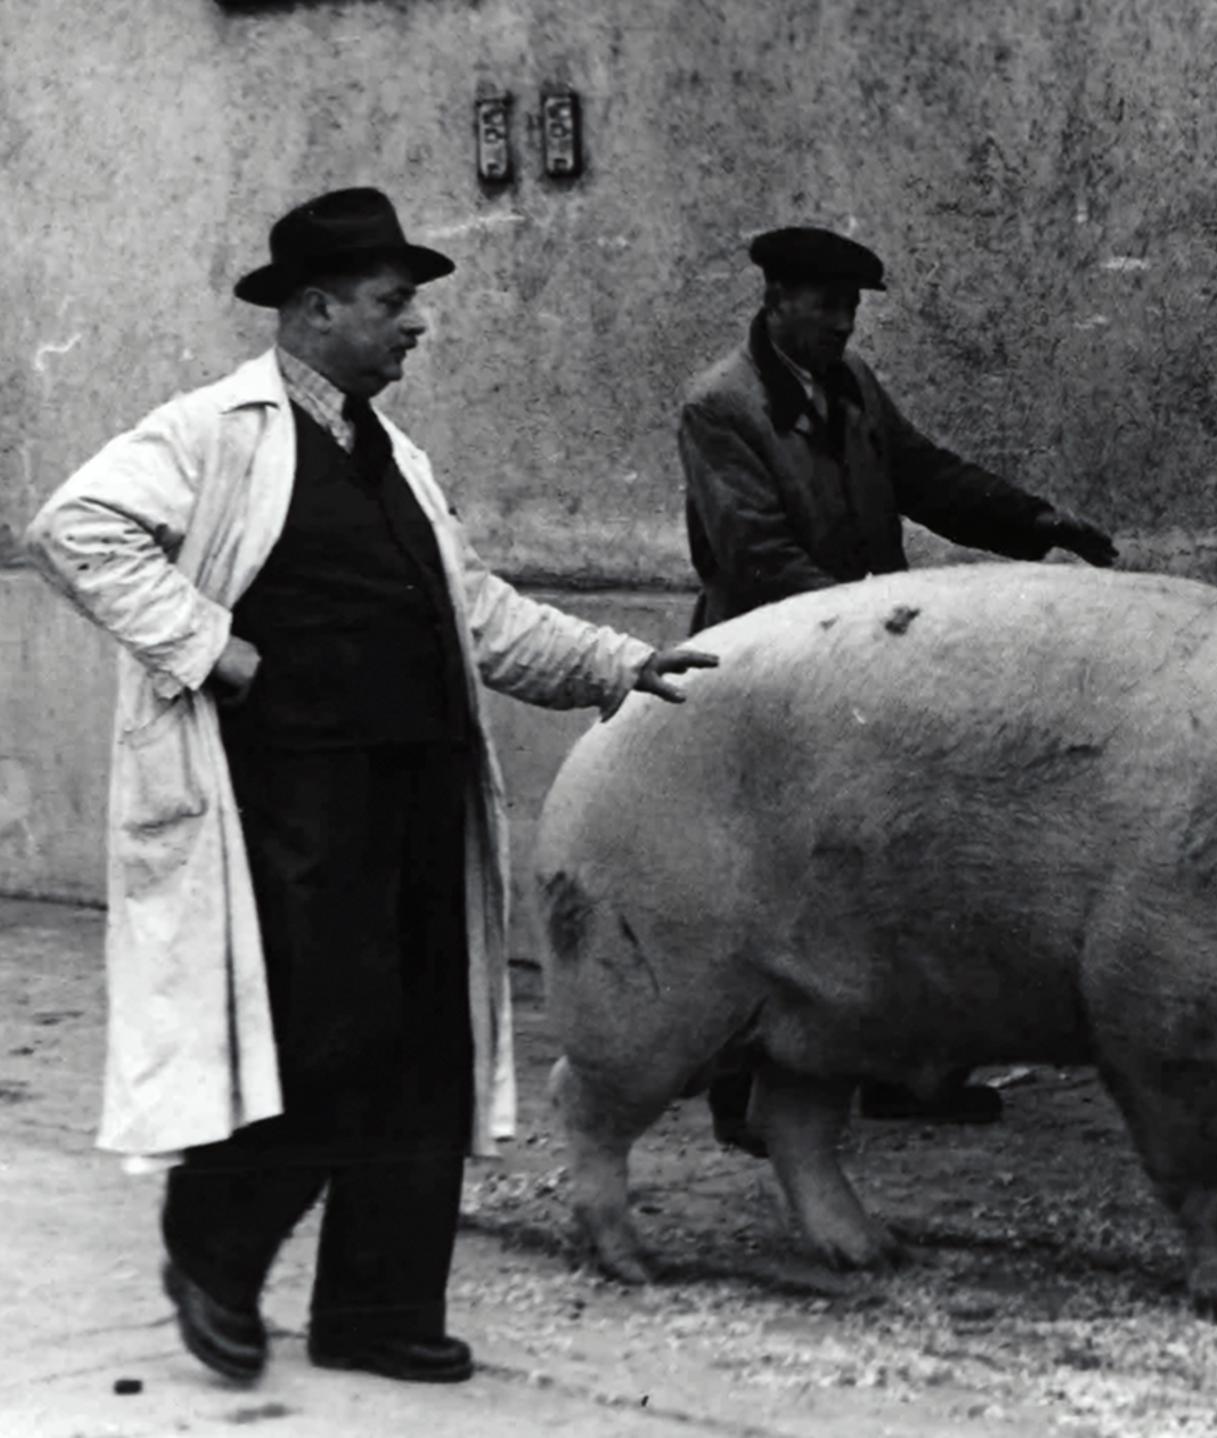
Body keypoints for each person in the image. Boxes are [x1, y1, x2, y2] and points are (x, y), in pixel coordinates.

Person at [25, 188, 718, 1386]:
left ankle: (379, 1310)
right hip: (285, 806)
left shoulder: (395, 453)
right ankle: (214, 1244)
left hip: (415, 797)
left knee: (425, 1052)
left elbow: (477, 611)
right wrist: (211, 646)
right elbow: (73, 527)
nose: (415, 328)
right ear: (314, 307)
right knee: (329, 1041)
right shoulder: (211, 431)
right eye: (394, 305)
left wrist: (615, 660)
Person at [678, 225, 1117, 1145]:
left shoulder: (854, 389)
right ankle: (740, 1092)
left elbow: (927, 477)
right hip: (769, 676)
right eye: (828, 305)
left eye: (852, 308)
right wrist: (877, 623)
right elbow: (756, 556)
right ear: (777, 300)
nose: (843, 324)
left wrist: (1037, 520)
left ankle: (894, 1070)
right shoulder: (721, 407)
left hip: (865, 672)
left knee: (885, 880)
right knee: (769, 885)